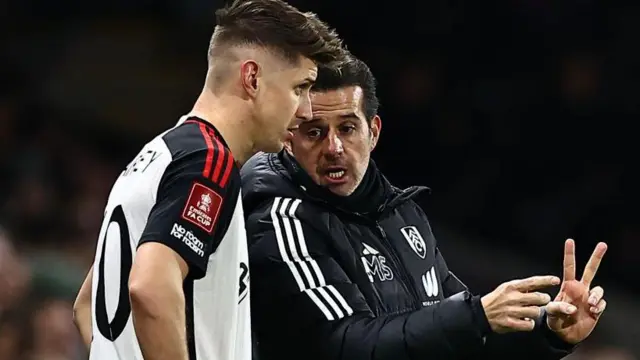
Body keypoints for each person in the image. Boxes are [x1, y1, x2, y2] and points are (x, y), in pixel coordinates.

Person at [241, 55, 608, 360]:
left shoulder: (402, 215)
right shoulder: (281, 223)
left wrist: (549, 331)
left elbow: (456, 339)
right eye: (315, 131)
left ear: (374, 132)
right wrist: (474, 316)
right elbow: (342, 344)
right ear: (289, 139)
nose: (334, 147)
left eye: (348, 128)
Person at [71, 1, 346, 359]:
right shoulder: (209, 162)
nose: (306, 110)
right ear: (252, 78)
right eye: (300, 87)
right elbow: (150, 287)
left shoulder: (153, 158)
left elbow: (86, 304)